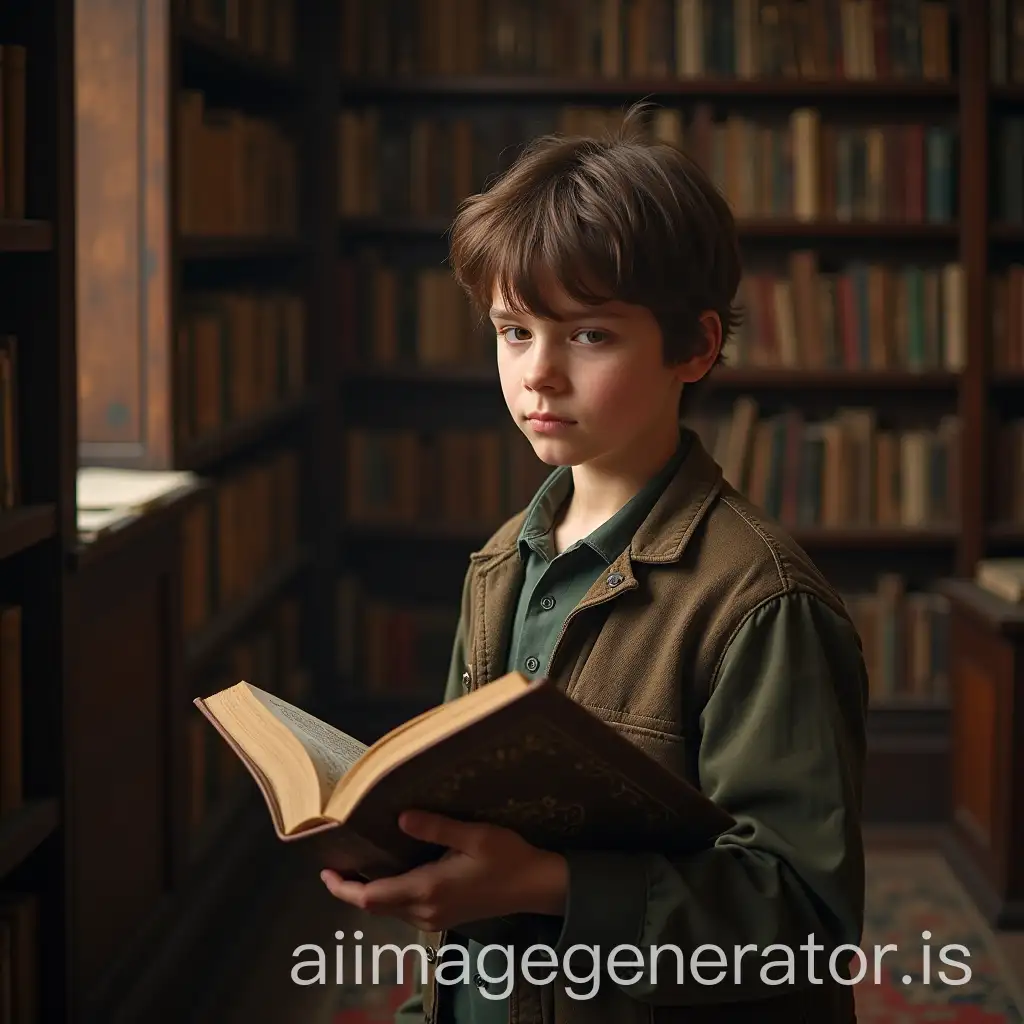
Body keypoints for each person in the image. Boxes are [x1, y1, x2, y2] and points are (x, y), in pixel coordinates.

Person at [320, 102, 868, 1024]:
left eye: (588, 335)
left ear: (694, 346)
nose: (537, 373)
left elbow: (804, 932)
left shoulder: (761, 603)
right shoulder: (500, 565)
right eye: (512, 331)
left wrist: (552, 883)